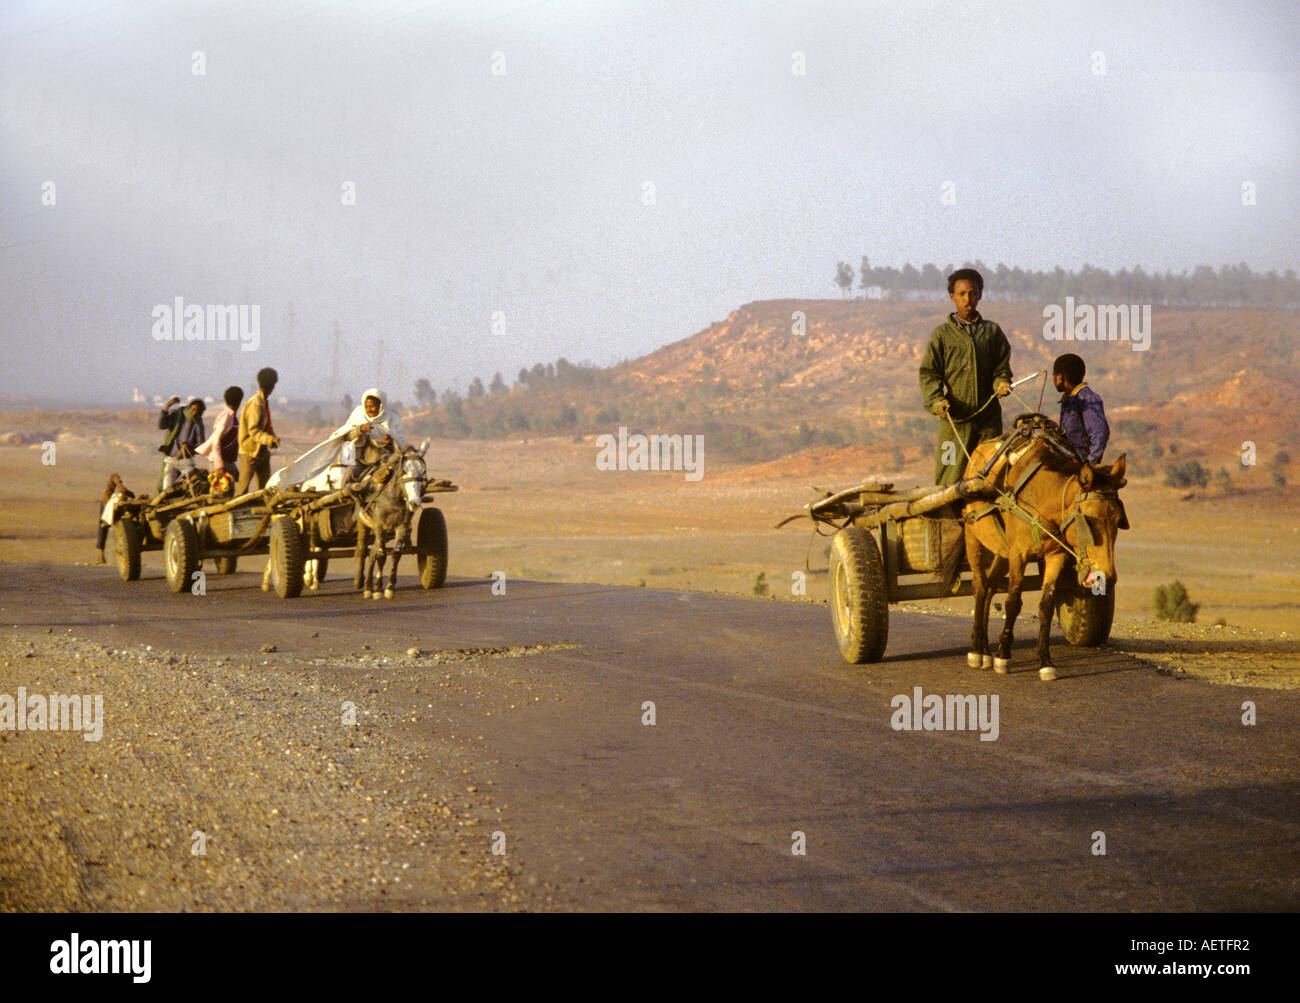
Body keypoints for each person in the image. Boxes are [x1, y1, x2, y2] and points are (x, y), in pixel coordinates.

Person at [918, 268, 1013, 486]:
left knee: (991, 476)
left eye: (972, 293)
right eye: (962, 294)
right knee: (948, 476)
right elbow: (929, 373)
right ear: (952, 296)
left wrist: (1001, 383)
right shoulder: (942, 334)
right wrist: (936, 402)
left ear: (980, 294)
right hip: (954, 421)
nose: (968, 299)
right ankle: (946, 519)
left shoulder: (992, 332)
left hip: (988, 420)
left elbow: (1001, 367)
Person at [266, 387, 404, 491]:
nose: (370, 410)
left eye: (373, 406)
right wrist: (360, 430)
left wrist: (389, 443)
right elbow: (346, 437)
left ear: (381, 405)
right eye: (367, 406)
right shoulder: (358, 415)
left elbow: (401, 445)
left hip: (381, 462)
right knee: (349, 478)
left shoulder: (392, 420)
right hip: (358, 460)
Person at [1054, 353, 1109, 464]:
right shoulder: (1069, 399)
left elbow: (1100, 433)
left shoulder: (1086, 399)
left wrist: (1089, 464)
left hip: (1079, 465)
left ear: (1060, 377)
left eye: (1054, 374)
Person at [235, 368, 281, 496]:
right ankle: (232, 514)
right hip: (250, 452)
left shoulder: (263, 402)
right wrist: (269, 439)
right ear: (272, 386)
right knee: (242, 488)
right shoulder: (256, 404)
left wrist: (273, 438)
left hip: (262, 450)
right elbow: (254, 431)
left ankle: (265, 515)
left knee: (266, 488)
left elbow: (266, 426)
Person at [196, 385, 244, 488]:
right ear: (239, 401)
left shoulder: (232, 416)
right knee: (221, 495)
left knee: (229, 494)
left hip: (228, 462)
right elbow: (216, 441)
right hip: (221, 463)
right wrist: (219, 465)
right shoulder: (226, 416)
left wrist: (233, 467)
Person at [157, 396, 206, 492]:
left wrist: (190, 447)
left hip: (186, 461)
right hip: (172, 459)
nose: (194, 412)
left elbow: (201, 446)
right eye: (193, 409)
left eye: (198, 411)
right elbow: (162, 425)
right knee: (167, 490)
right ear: (189, 407)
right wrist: (167, 407)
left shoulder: (198, 424)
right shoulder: (178, 415)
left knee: (194, 487)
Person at [95, 473, 133, 565]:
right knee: (103, 531)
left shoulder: (121, 495)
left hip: (115, 510)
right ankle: (101, 556)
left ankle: (106, 557)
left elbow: (132, 495)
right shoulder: (108, 494)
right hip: (106, 508)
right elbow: (114, 477)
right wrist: (120, 485)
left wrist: (127, 492)